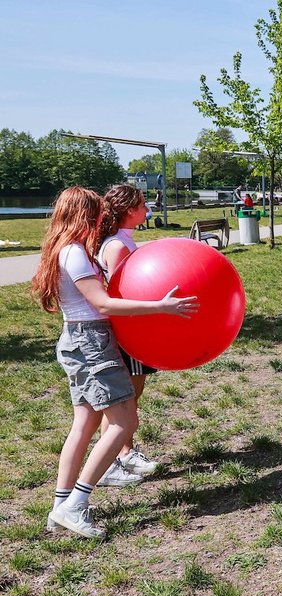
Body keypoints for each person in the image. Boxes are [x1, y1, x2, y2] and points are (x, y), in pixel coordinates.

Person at [31, 187, 197, 538]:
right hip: (91, 342)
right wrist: (161, 307)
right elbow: (102, 304)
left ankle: (60, 506)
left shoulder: (64, 249)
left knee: (85, 425)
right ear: (81, 215)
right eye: (94, 213)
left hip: (79, 339)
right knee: (123, 422)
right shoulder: (74, 253)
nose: (99, 219)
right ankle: (76, 505)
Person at [95, 185, 160, 487]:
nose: (147, 210)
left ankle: (123, 453)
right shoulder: (118, 246)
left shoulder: (121, 241)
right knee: (127, 397)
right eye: (143, 205)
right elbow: (124, 292)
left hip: (134, 329)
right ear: (128, 210)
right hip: (129, 332)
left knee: (130, 395)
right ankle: (120, 456)